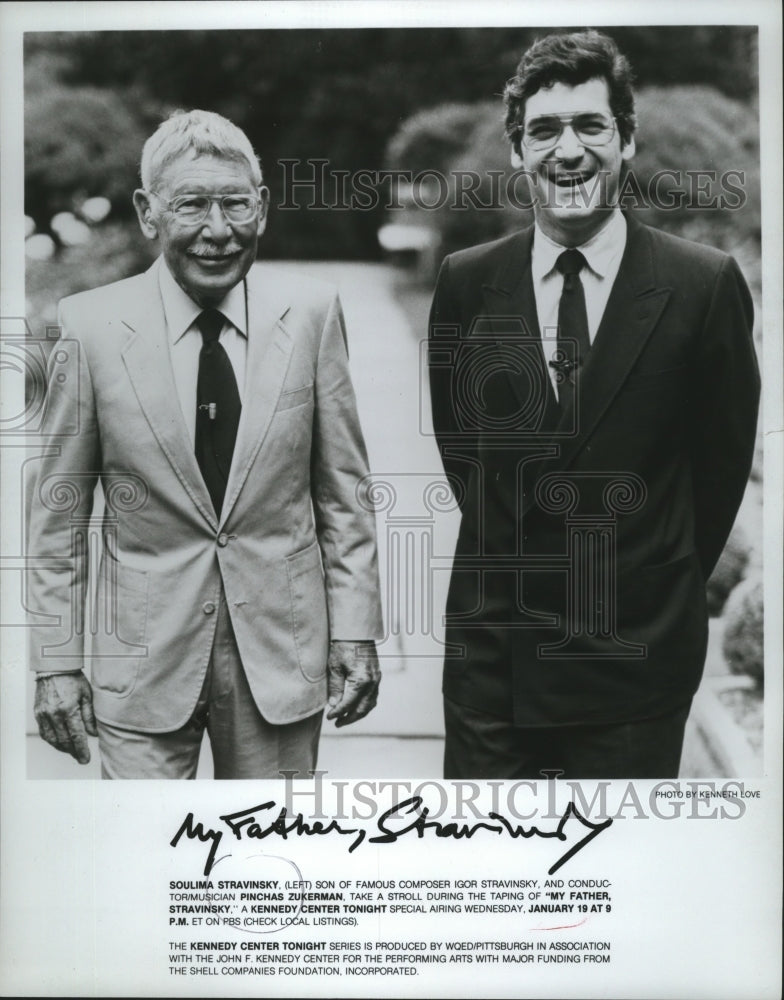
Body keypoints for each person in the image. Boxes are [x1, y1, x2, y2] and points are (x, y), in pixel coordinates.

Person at [428, 30, 760, 779]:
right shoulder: (466, 281)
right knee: (487, 887)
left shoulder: (702, 287)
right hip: (494, 659)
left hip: (633, 662)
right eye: (543, 130)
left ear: (627, 140)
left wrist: (650, 584)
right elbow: (463, 455)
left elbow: (719, 472)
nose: (567, 151)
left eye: (590, 126)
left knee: (618, 890)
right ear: (517, 151)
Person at [28, 110, 383, 779]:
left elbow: (344, 494)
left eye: (235, 203)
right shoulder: (90, 326)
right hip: (142, 665)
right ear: (147, 212)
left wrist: (357, 630)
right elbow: (57, 521)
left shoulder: (311, 314)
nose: (218, 231)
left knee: (270, 871)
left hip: (281, 661)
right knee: (144, 867)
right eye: (191, 204)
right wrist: (56, 661)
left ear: (263, 209)